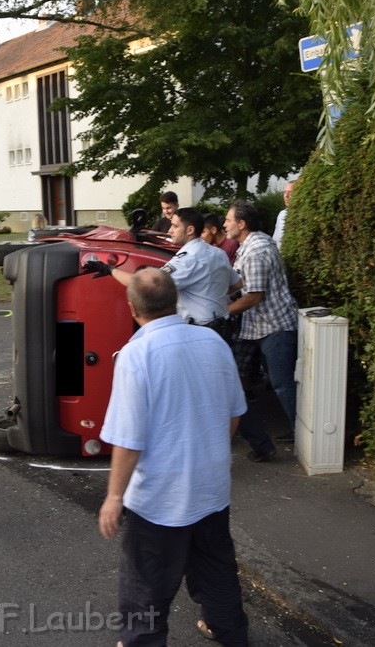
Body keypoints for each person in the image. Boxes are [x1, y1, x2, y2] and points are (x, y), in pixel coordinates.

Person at [98, 268, 249, 646]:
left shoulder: (136, 353)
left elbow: (128, 439)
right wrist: (210, 452)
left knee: (146, 587)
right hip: (211, 489)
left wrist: (114, 497)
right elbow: (234, 414)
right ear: (176, 299)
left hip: (159, 499)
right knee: (216, 572)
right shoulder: (212, 341)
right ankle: (228, 632)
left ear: (132, 307)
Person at [225, 200, 299, 460]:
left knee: (281, 384)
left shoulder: (256, 250)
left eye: (228, 220)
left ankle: (302, 435)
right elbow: (241, 282)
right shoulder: (249, 245)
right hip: (255, 326)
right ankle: (255, 429)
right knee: (238, 373)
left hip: (274, 326)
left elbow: (254, 295)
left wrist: (223, 313)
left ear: (242, 224)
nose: (225, 224)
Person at [87, 208, 240, 330]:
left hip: (202, 330)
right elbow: (236, 285)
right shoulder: (217, 253)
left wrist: (109, 269)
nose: (169, 231)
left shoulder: (187, 260)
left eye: (175, 226)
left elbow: (148, 286)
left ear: (190, 230)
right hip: (223, 328)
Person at [272, 181, 294, 250]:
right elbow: (275, 240)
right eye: (285, 192)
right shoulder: (281, 215)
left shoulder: (302, 216)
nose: (286, 196)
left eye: (290, 192)